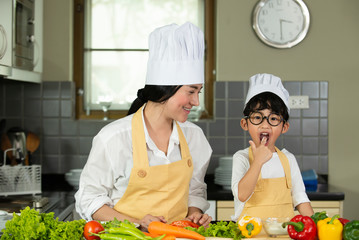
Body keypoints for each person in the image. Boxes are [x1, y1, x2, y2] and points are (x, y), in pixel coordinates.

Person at [75, 22, 212, 230]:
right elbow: (89, 199)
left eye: (199, 92)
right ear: (166, 89)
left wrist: (194, 214)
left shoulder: (194, 137)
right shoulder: (115, 137)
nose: (196, 102)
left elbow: (194, 191)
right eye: (191, 91)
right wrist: (138, 224)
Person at [231, 73, 314, 221]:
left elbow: (300, 199)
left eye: (274, 119)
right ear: (245, 124)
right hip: (250, 236)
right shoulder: (241, 158)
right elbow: (242, 195)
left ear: (284, 127)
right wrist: (258, 162)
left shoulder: (288, 159)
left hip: (284, 235)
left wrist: (317, 228)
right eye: (257, 117)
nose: (265, 125)